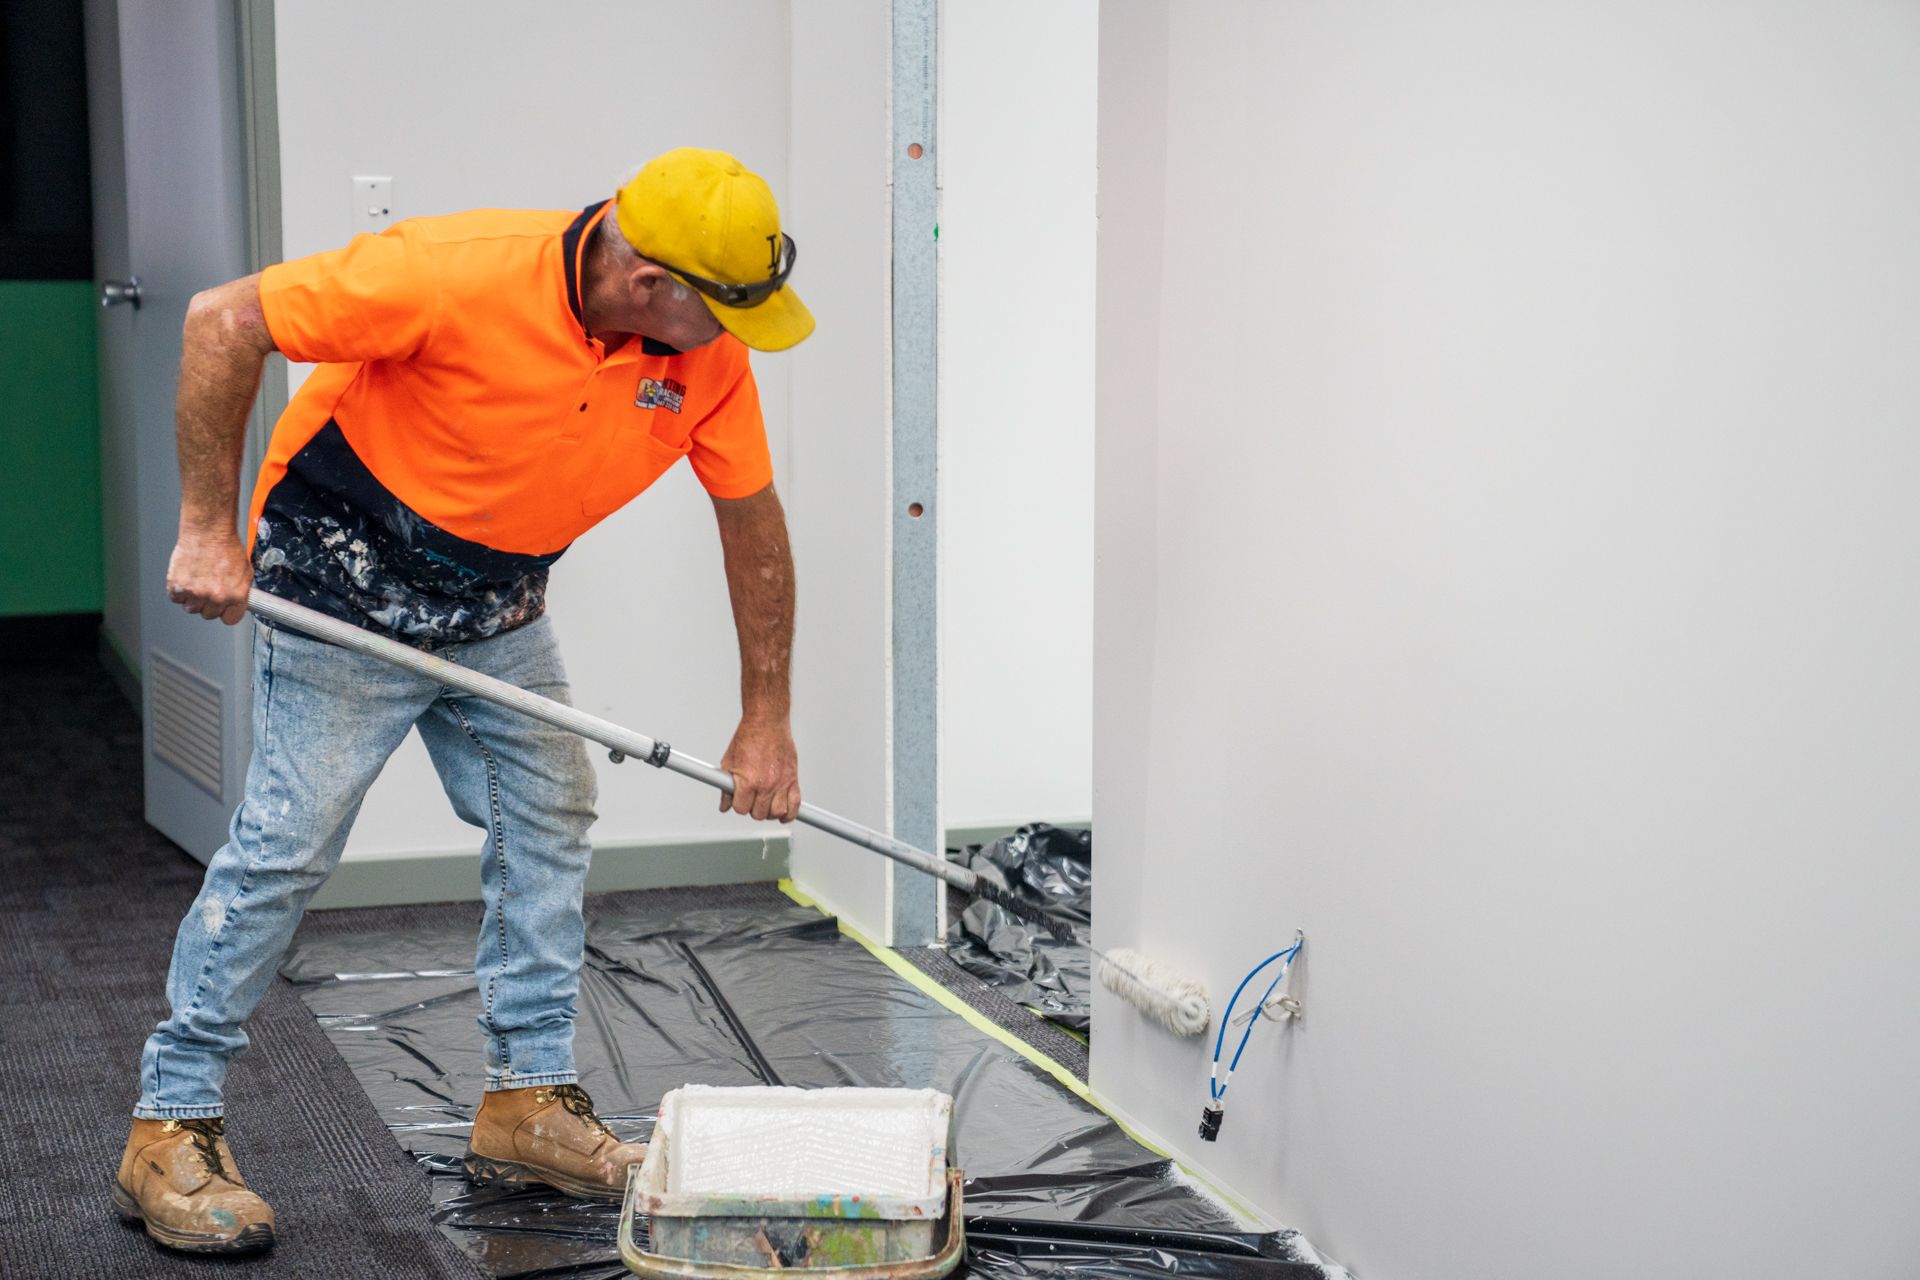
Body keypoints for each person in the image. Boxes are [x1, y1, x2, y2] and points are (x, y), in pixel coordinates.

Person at [112, 148, 812, 1256]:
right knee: (289, 845)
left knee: (549, 811)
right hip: (341, 575)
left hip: (493, 602)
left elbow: (752, 520)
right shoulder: (453, 271)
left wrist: (764, 715)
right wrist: (206, 529)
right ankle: (170, 1120)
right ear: (648, 284)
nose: (737, 337)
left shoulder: (704, 356)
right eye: (724, 310)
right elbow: (221, 319)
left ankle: (525, 1101)